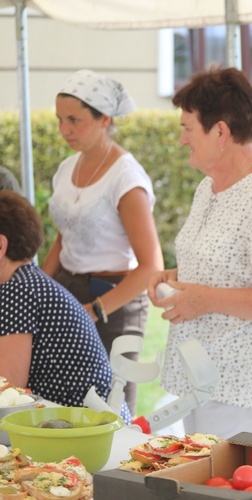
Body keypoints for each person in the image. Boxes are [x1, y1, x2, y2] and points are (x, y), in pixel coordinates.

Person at [148, 67, 252, 439]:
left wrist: (204, 299)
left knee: (236, 494)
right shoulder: (209, 188)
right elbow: (229, 265)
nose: (181, 140)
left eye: (187, 128)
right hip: (202, 379)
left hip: (242, 390)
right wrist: (177, 278)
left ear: (220, 131)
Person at [42, 69, 164, 416]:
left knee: (112, 410)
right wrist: (42, 289)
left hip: (115, 301)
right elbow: (64, 236)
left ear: (104, 119)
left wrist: (96, 309)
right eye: (59, 120)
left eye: (74, 120)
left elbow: (151, 266)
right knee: (61, 400)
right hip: (68, 290)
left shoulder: (126, 177)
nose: (64, 130)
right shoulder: (67, 169)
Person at [0, 191, 129, 422]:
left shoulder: (17, 289)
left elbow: (8, 391)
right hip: (85, 424)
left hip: (82, 430)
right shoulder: (27, 283)